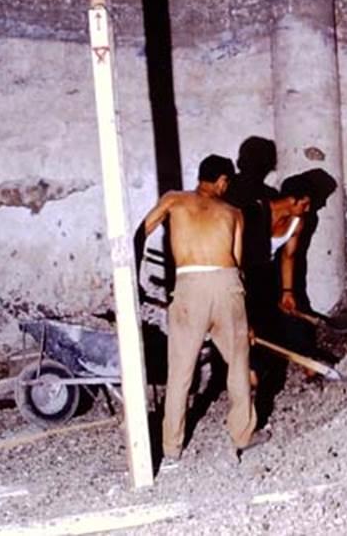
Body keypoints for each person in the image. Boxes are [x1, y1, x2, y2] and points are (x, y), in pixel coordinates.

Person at [134, 154, 260, 465]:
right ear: (221, 181)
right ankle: (242, 436)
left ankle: (172, 448)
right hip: (227, 283)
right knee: (238, 363)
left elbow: (139, 235)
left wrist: (132, 278)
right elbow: (238, 262)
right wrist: (247, 319)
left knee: (180, 370)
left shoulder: (174, 200)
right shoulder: (233, 212)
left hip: (190, 286)